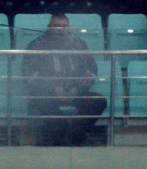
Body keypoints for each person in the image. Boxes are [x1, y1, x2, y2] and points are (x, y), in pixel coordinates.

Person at [23, 13, 108, 147]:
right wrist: (53, 88)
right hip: (48, 93)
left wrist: (77, 89)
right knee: (39, 100)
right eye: (57, 26)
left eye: (64, 26)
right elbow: (29, 74)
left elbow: (91, 71)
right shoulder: (37, 45)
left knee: (98, 101)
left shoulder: (78, 44)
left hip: (76, 91)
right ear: (49, 26)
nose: (61, 29)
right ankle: (65, 136)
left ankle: (73, 135)